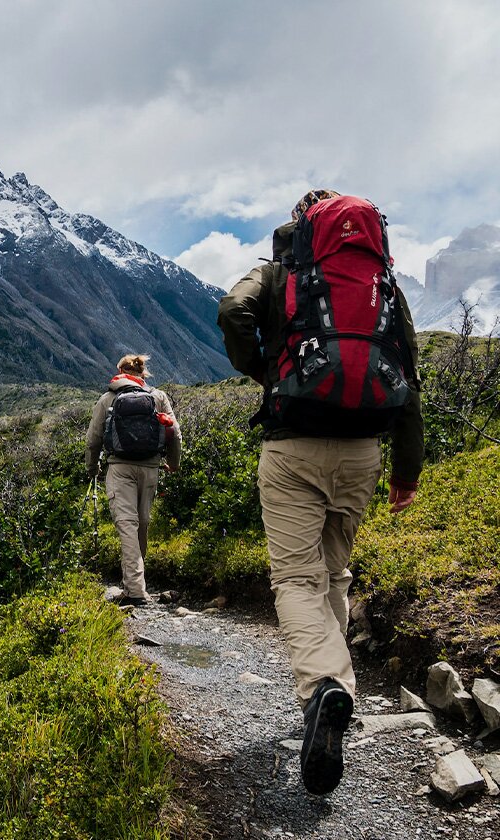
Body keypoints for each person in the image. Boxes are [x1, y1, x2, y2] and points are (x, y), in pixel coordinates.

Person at [217, 190, 423, 795]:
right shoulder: (383, 286)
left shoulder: (281, 273)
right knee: (334, 574)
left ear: (302, 226)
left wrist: (264, 370)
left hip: (293, 445)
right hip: (363, 451)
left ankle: (324, 688)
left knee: (296, 580)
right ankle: (333, 693)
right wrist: (406, 474)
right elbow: (408, 376)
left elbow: (233, 311)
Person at [85, 354, 181, 606]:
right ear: (143, 373)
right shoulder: (158, 397)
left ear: (119, 372)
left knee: (127, 524)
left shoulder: (108, 398)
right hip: (150, 468)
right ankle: (137, 583)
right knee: (142, 523)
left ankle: (136, 590)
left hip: (120, 468)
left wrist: (92, 468)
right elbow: (175, 433)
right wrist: (173, 463)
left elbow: (93, 440)